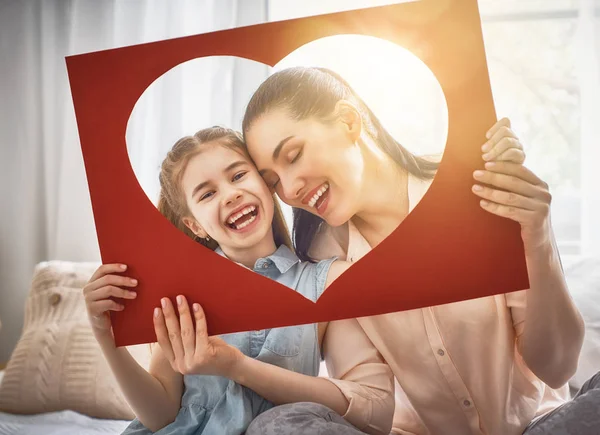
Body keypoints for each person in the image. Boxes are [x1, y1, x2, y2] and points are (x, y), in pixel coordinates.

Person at [241, 66, 599, 435]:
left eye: (293, 154)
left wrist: (537, 235)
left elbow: (557, 368)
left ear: (348, 121)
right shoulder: (324, 262)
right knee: (276, 426)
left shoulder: (477, 190)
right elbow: (369, 402)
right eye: (273, 181)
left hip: (537, 426)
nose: (289, 189)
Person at [83, 126, 394, 435]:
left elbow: (371, 408)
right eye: (207, 193)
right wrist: (106, 338)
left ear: (266, 183)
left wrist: (237, 367)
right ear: (195, 226)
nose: (231, 195)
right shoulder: (181, 293)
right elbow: (160, 416)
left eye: (238, 176)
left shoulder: (323, 282)